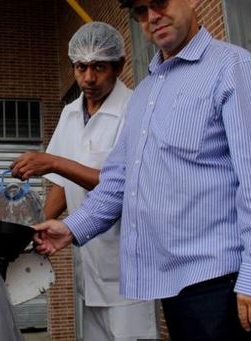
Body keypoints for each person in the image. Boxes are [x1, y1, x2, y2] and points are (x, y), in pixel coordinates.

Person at [31, 1, 251, 340]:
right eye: (141, 10)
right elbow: (118, 182)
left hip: (218, 284)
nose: (152, 16)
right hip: (170, 284)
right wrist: (70, 228)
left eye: (159, 2)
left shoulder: (233, 69)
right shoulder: (146, 94)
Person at [11, 21, 157, 341]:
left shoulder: (136, 110)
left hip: (126, 272)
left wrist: (53, 161)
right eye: (80, 67)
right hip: (87, 271)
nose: (88, 78)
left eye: (98, 67)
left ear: (118, 65)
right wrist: (32, 229)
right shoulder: (70, 114)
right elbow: (61, 185)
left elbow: (121, 183)